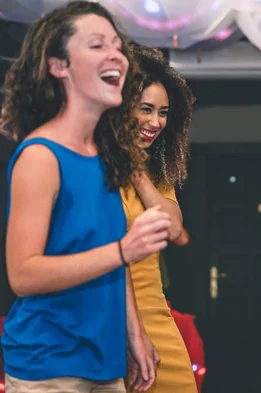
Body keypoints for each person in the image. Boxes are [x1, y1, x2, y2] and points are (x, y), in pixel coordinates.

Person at [0, 2, 169, 392]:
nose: (115, 54)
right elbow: (22, 275)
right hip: (49, 365)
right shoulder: (41, 155)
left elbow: (113, 260)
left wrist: (135, 335)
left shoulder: (104, 157)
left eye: (116, 44)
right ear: (59, 66)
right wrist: (125, 249)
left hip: (105, 363)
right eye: (96, 45)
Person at [121, 45, 197, 393]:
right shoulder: (93, 168)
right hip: (108, 317)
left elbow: (175, 229)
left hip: (154, 315)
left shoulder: (155, 175)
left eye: (163, 113)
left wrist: (135, 169)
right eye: (146, 109)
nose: (155, 122)